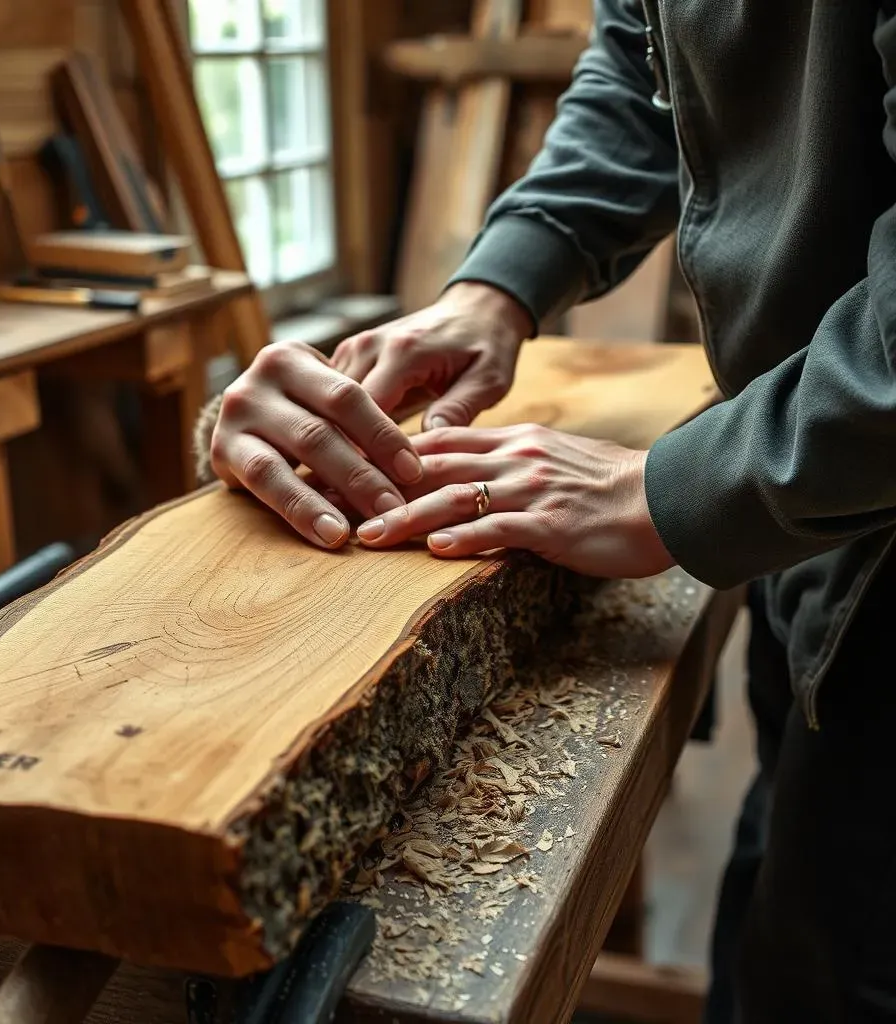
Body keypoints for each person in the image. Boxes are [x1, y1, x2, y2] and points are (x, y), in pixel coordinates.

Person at [196, 2, 896, 1020]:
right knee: (776, 918)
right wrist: (501, 280)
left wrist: (663, 490)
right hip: (814, 534)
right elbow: (642, 68)